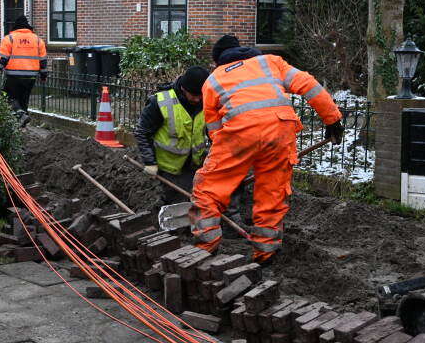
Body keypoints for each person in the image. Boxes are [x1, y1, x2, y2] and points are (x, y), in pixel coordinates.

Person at [190, 35, 344, 265]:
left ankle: (206, 248)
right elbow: (309, 85)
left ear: (217, 61)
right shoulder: (271, 62)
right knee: (272, 193)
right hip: (281, 130)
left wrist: (232, 170)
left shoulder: (212, 81)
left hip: (239, 134)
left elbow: (214, 130)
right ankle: (265, 254)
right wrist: (332, 120)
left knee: (207, 191)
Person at [134, 66, 210, 205]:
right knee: (176, 203)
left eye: (201, 95)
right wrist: (150, 162)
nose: (198, 99)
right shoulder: (161, 102)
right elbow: (142, 132)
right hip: (167, 169)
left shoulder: (206, 102)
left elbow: (212, 132)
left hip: (193, 165)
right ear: (183, 89)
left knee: (195, 200)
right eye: (194, 95)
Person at [0, 16, 47, 127]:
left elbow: (2, 58)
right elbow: (43, 60)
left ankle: (21, 117)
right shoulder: (37, 40)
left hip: (14, 75)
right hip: (31, 77)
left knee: (9, 96)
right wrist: (43, 75)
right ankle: (23, 124)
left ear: (15, 26)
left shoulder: (10, 38)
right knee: (24, 100)